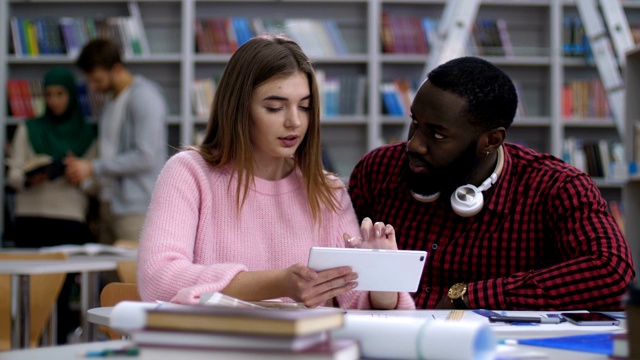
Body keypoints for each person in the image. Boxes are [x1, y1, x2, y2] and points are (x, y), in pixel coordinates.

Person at [137, 34, 415, 310]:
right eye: (275, 107)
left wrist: (383, 275)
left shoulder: (326, 189)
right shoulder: (190, 173)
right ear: (238, 108)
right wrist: (279, 284)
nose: (294, 121)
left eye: (305, 107)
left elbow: (357, 305)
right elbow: (158, 279)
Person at [348, 56, 635, 310]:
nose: (414, 144)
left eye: (437, 135)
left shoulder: (555, 186)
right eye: (415, 122)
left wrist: (467, 296)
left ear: (491, 140)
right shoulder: (378, 169)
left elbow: (612, 272)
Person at [6, 66, 97, 343]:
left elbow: (96, 184)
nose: (55, 100)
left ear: (71, 95)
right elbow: (13, 175)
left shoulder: (88, 134)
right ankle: (26, 345)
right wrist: (30, 177)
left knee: (59, 292)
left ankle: (56, 346)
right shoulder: (29, 128)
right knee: (29, 292)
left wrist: (76, 173)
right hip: (30, 218)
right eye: (49, 95)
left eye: (60, 94)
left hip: (68, 220)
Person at [66, 38, 168, 245]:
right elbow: (109, 151)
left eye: (98, 80)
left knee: (133, 275)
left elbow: (145, 156)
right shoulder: (110, 102)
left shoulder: (144, 97)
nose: (93, 87)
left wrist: (93, 168)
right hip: (108, 204)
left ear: (117, 69)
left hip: (136, 208)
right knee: (110, 277)